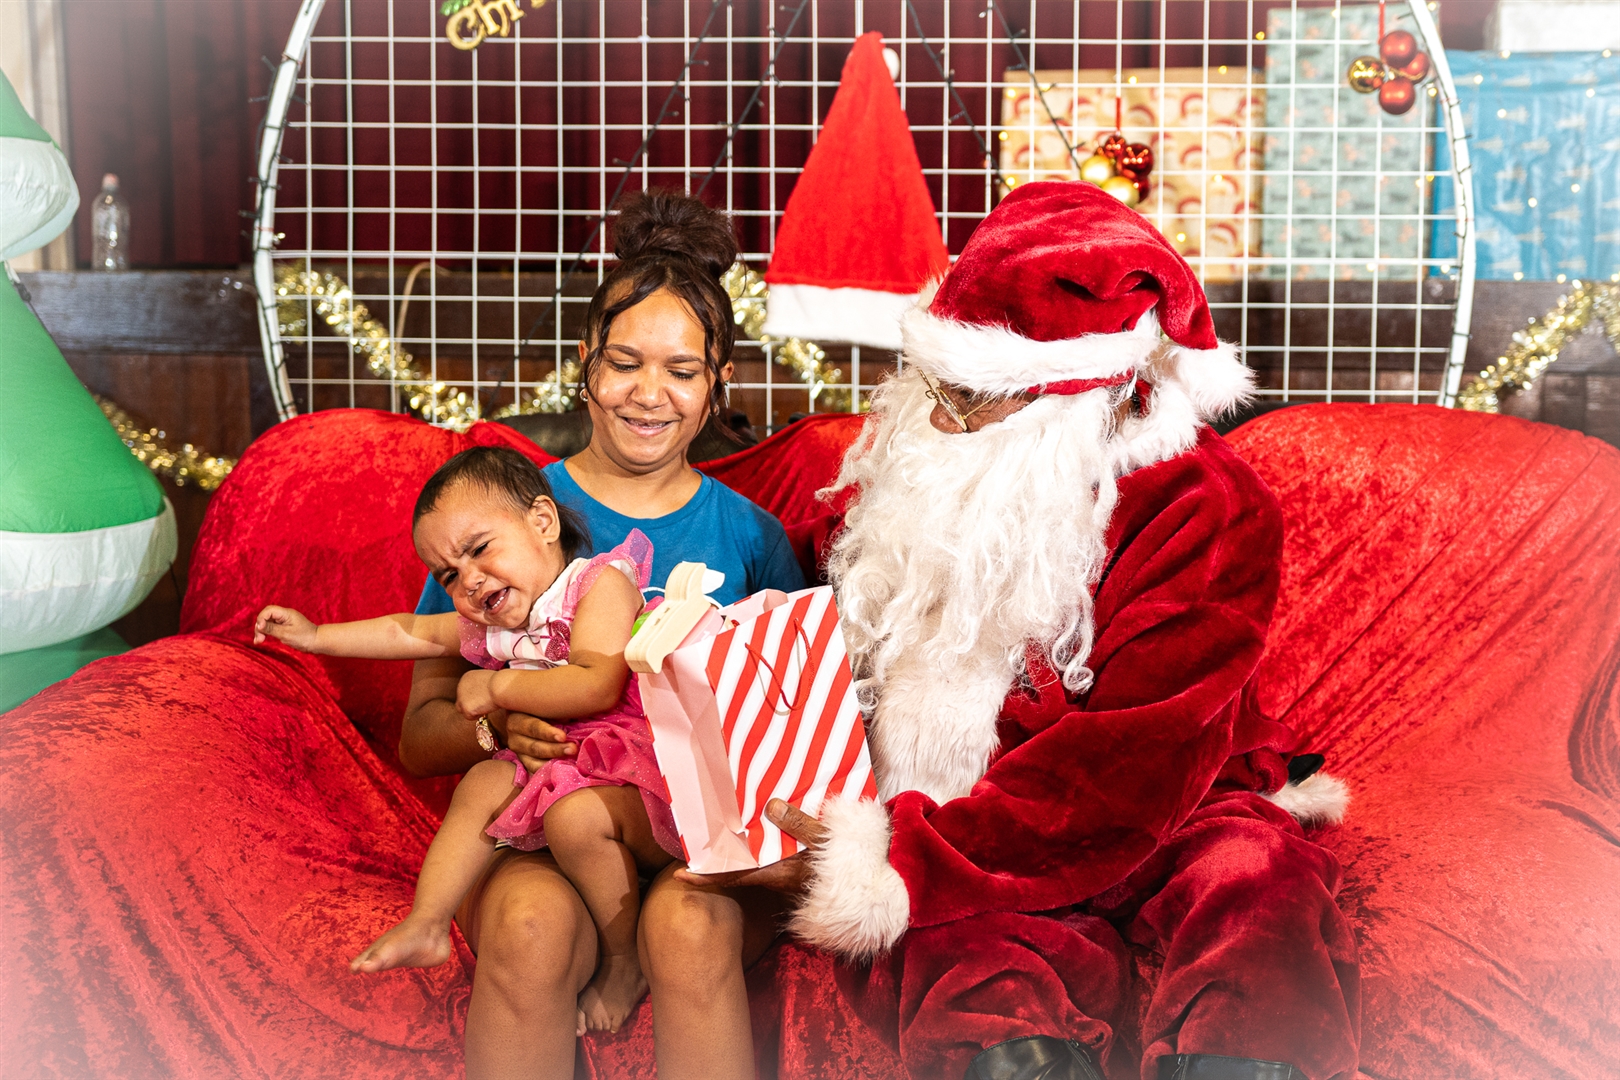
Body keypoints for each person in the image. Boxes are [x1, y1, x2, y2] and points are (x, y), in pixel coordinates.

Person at [661, 181, 1361, 1080]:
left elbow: (1132, 765)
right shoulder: (937, 456)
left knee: (1256, 886)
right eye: (936, 386)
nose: (939, 419)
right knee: (967, 971)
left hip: (1159, 810)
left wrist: (900, 857)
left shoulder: (1206, 506)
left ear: (1089, 397)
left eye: (971, 397)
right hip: (955, 809)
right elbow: (808, 580)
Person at [396, 189, 805, 1080]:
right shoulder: (501, 519)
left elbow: (797, 726)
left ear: (717, 382)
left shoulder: (753, 538)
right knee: (529, 927)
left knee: (687, 926)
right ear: (585, 360)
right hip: (546, 834)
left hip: (698, 840)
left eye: (683, 371)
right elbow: (421, 734)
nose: (649, 394)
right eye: (624, 362)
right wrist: (498, 725)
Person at [255, 447, 677, 1036]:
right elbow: (410, 631)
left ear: (543, 522)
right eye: (449, 575)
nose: (470, 579)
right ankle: (428, 922)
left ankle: (624, 957)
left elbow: (597, 684)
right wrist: (317, 636)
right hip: (558, 760)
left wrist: (498, 687)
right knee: (482, 781)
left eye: (479, 549)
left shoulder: (598, 584)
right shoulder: (498, 624)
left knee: (575, 821)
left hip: (625, 760)